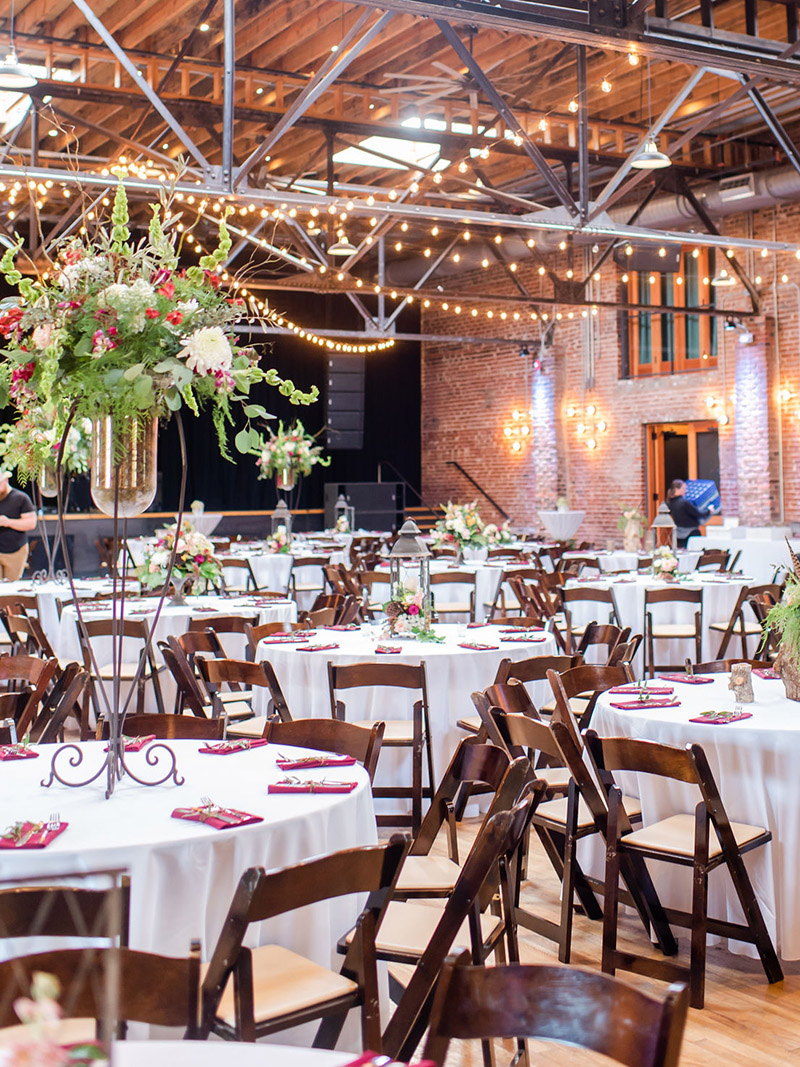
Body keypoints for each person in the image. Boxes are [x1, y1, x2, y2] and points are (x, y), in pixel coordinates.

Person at [0, 470, 37, 579]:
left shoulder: (20, 498)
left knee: (11, 588)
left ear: (5, 480)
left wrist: (9, 522)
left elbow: (31, 523)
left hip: (15, 550)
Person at [666, 478, 715, 549]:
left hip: (679, 533)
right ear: (677, 489)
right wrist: (708, 510)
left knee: (682, 552)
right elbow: (698, 514)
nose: (685, 491)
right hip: (692, 532)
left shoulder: (670, 502)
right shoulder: (684, 503)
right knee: (696, 552)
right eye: (683, 489)